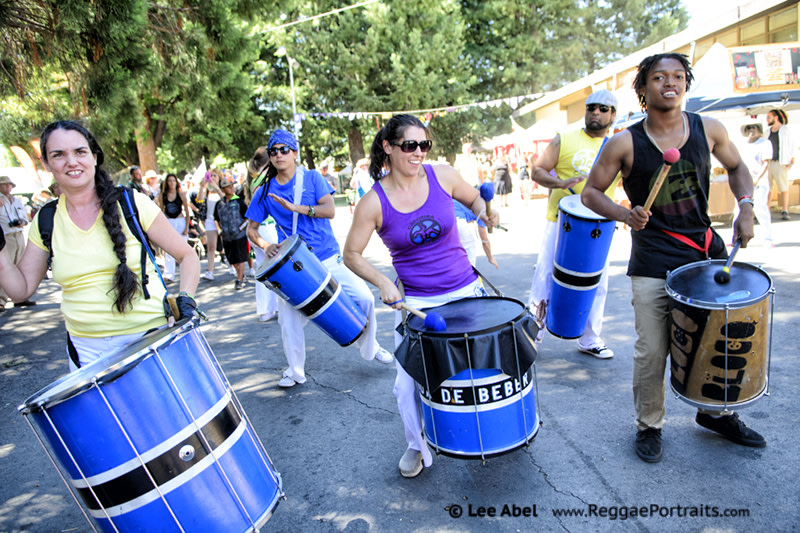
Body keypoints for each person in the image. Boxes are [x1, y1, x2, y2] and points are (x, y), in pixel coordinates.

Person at [582, 53, 765, 464]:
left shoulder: (709, 128)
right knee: (652, 350)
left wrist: (746, 208)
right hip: (653, 260)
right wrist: (625, 215)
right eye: (659, 77)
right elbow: (590, 192)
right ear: (643, 89)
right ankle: (649, 424)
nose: (670, 82)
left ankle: (715, 412)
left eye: (678, 76)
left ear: (686, 84)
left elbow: (737, 169)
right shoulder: (624, 142)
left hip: (705, 254)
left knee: (717, 341)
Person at [342, 114, 499, 478]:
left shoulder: (441, 175)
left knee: (483, 365)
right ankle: (417, 444)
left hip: (466, 288)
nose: (418, 153)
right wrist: (382, 282)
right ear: (388, 147)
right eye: (409, 145)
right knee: (405, 385)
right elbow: (351, 253)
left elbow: (475, 200)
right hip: (419, 303)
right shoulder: (373, 203)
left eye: (423, 145)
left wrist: (484, 214)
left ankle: (490, 428)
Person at [0, 120, 200, 370]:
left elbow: (187, 256)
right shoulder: (46, 219)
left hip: (151, 338)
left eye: (79, 152)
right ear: (46, 164)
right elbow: (21, 290)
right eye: (58, 155)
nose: (71, 161)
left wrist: (186, 299)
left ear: (94, 157)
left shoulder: (132, 203)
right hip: (86, 353)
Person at [245, 129, 394, 389]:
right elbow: (251, 230)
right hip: (294, 266)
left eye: (284, 149)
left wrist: (297, 209)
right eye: (273, 151)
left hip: (327, 256)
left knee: (365, 298)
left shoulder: (312, 178)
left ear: (294, 153)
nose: (278, 155)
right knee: (288, 320)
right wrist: (266, 245)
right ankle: (295, 371)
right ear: (269, 157)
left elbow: (329, 210)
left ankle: (371, 349)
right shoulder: (264, 190)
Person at [527, 89, 619, 359]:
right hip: (561, 221)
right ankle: (533, 335)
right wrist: (559, 183)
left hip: (599, 227)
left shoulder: (618, 145)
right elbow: (538, 170)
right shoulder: (564, 138)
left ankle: (590, 338)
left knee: (597, 281)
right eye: (592, 107)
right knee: (545, 275)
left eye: (603, 109)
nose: (596, 113)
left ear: (613, 115)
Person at [735, 123, 773, 246]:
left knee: (760, 209)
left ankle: (768, 238)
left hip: (758, 182)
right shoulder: (743, 144)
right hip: (743, 182)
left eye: (754, 128)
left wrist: (757, 178)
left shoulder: (765, 143)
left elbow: (766, 163)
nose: (751, 130)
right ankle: (736, 237)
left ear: (759, 130)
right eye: (749, 128)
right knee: (738, 209)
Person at [0, 175, 35, 309]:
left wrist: (23, 222)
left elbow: (24, 216)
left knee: (20, 266)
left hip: (18, 234)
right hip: (5, 236)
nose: (8, 187)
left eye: (9, 185)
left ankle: (20, 297)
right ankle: (1, 299)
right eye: (4, 185)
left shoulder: (16, 200)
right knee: (4, 268)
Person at [215, 175, 249, 290]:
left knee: (241, 257)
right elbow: (216, 218)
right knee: (232, 259)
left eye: (232, 186)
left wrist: (241, 228)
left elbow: (247, 217)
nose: (231, 189)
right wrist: (219, 230)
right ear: (223, 189)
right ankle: (240, 273)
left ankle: (239, 279)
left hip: (239, 235)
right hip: (226, 236)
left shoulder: (239, 201)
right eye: (228, 187)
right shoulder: (219, 204)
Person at [157, 173, 192, 282]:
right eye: (169, 181)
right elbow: (161, 211)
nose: (172, 183)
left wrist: (187, 227)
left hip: (180, 221)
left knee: (183, 248)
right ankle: (169, 274)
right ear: (166, 183)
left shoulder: (181, 195)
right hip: (169, 221)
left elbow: (187, 211)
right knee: (169, 249)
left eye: (173, 181)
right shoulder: (163, 195)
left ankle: (186, 273)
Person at [765, 108, 794, 220]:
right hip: (769, 163)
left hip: (780, 162)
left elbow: (792, 145)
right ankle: (766, 210)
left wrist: (792, 160)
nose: (767, 119)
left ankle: (785, 210)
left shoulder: (785, 130)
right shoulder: (767, 132)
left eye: (769, 117)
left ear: (776, 117)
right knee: (768, 188)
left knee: (783, 187)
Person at [453, 199, 498, 268]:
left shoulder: (462, 198)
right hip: (458, 222)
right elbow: (484, 240)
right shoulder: (481, 209)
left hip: (441, 221)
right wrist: (490, 258)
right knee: (469, 246)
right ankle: (469, 273)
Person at [201, 169, 223, 281]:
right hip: (209, 221)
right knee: (211, 247)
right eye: (211, 176)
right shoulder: (207, 192)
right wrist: (203, 186)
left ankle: (232, 265)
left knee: (226, 245)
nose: (213, 178)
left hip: (221, 221)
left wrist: (217, 187)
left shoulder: (221, 189)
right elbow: (199, 200)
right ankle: (210, 271)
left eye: (215, 176)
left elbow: (225, 199)